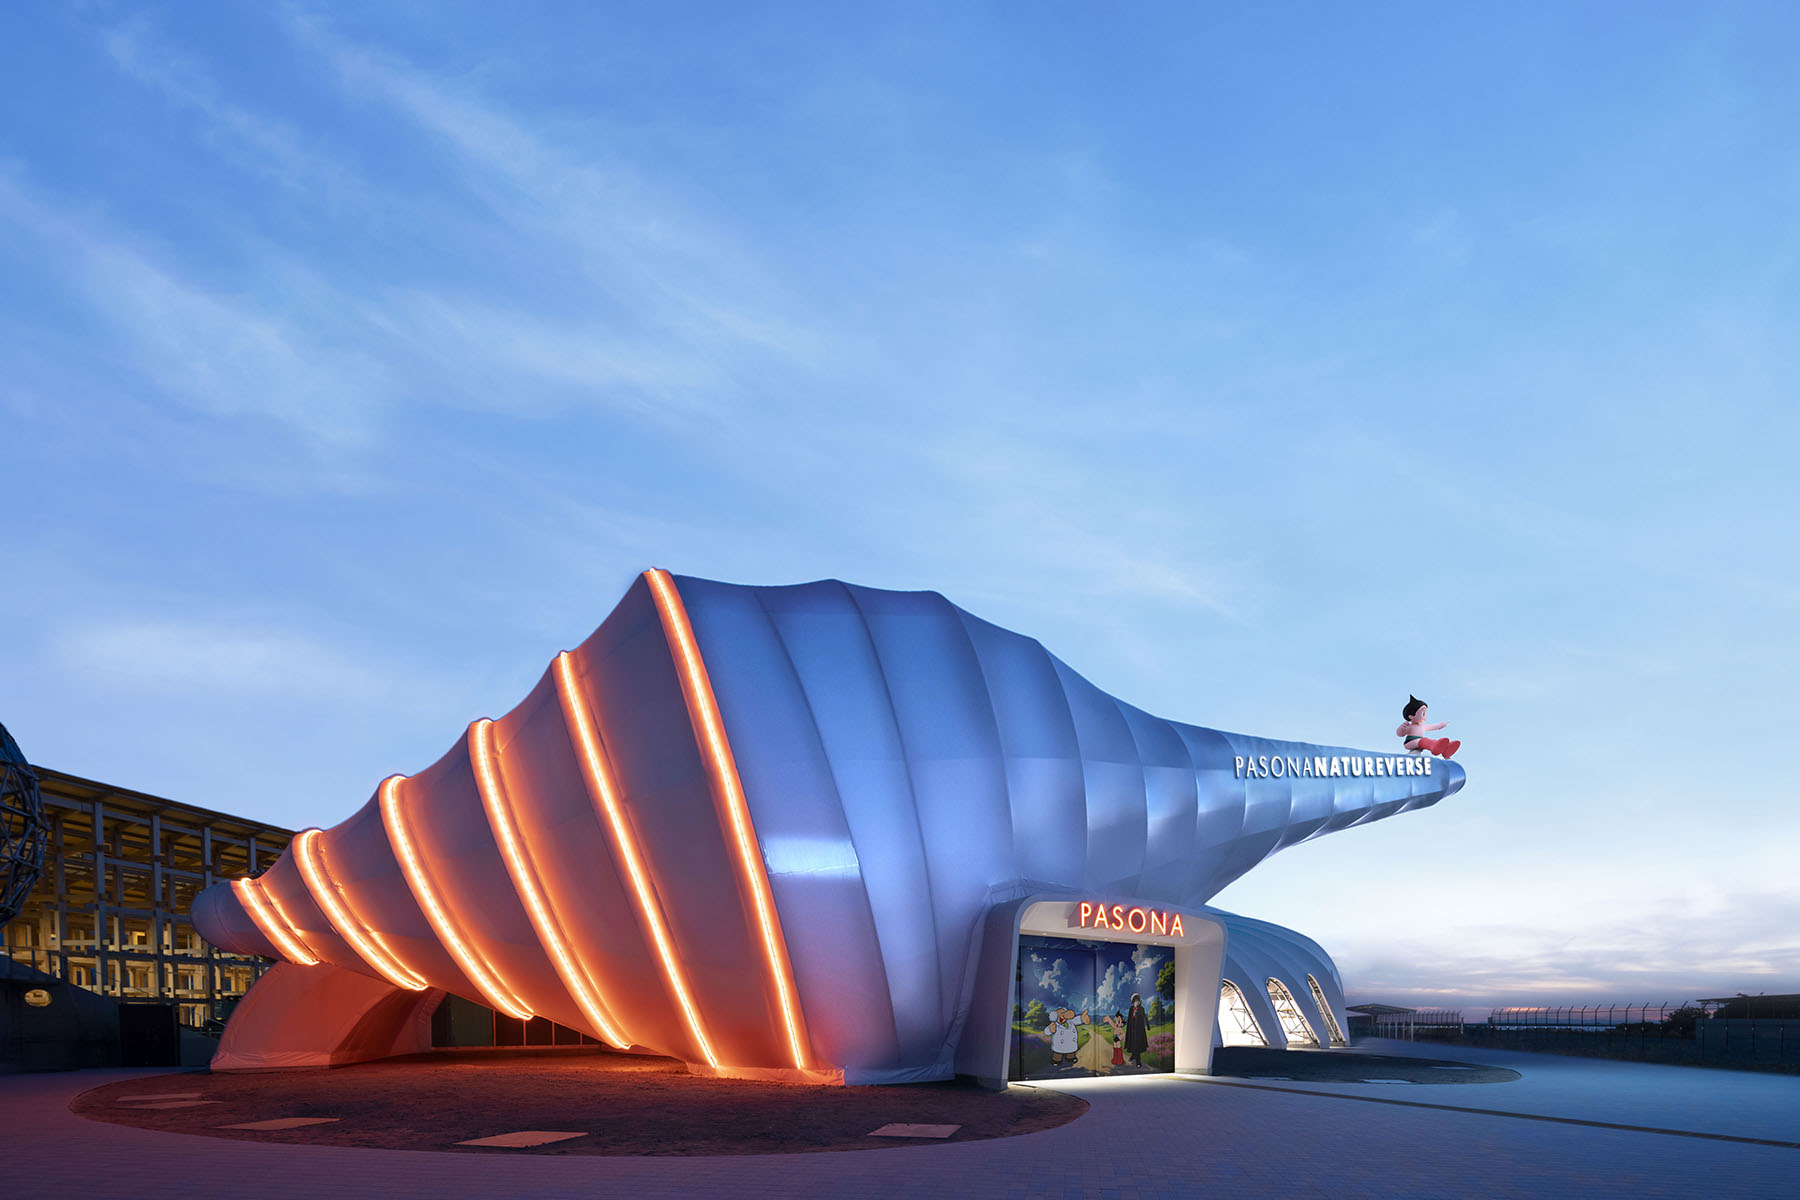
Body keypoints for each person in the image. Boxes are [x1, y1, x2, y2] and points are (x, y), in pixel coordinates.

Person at [1124, 993, 1150, 1067]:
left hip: (1139, 1030)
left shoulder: (1141, 1009)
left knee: (1137, 1045)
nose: (1136, 1002)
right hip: (1131, 1030)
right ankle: (1133, 1056)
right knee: (1132, 1044)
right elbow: (1129, 1019)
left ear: (1139, 1001)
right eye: (1135, 1001)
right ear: (1133, 1002)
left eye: (1137, 1000)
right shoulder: (1131, 1009)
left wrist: (1148, 1026)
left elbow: (1145, 1017)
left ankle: (1138, 1062)